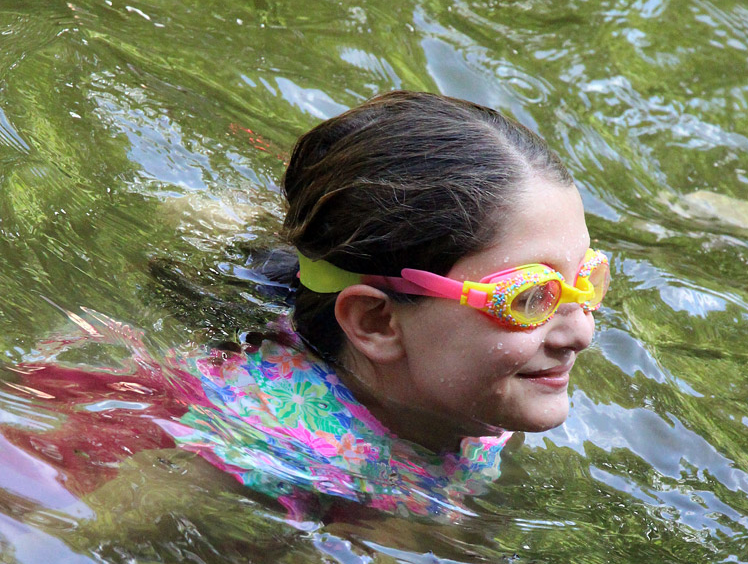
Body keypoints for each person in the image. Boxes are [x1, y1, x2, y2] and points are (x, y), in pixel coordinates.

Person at [2, 91, 609, 522]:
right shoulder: (219, 457)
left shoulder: (479, 379)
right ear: (376, 321)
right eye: (530, 297)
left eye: (587, 279)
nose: (580, 329)